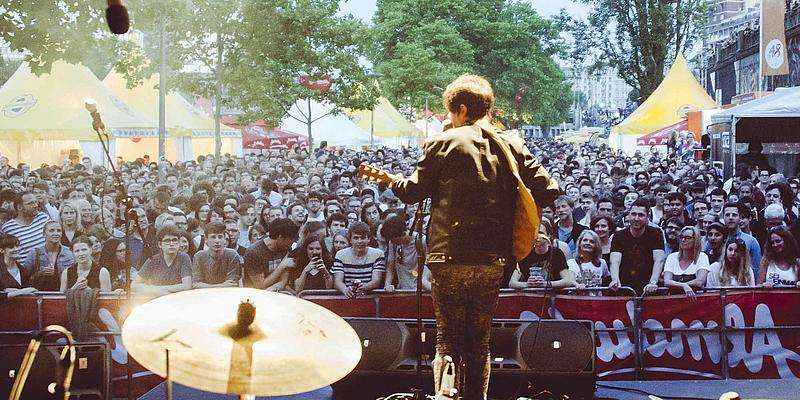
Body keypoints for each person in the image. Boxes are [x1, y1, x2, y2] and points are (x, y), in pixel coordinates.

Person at [389, 74, 559, 400]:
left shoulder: (442, 142)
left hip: (447, 256)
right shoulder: (513, 143)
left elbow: (412, 193)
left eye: (452, 114)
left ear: (462, 109)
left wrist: (393, 181)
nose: (451, 120)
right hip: (493, 258)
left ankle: (445, 396)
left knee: (448, 339)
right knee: (479, 341)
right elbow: (549, 190)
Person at [609, 199, 665, 295]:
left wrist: (653, 282)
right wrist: (615, 280)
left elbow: (659, 260)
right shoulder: (619, 235)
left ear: (648, 216)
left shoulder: (656, 233)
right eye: (633, 214)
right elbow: (614, 261)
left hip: (648, 287)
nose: (636, 218)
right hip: (624, 286)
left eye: (641, 215)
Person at [131, 225, 193, 297]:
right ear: (160, 244)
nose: (171, 244)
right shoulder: (153, 260)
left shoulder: (184, 258)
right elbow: (134, 285)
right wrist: (154, 291)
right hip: (157, 299)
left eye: (175, 240)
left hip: (178, 299)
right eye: (167, 241)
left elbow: (187, 286)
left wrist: (158, 289)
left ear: (179, 243)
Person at [331, 221, 385, 298]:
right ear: (350, 240)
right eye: (356, 238)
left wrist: (364, 287)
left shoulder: (378, 254)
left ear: (368, 239)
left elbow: (376, 280)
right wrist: (345, 289)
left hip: (370, 298)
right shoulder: (340, 255)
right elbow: (337, 281)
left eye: (363, 238)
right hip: (348, 298)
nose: (359, 241)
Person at [243, 218, 298, 290]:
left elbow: (283, 281)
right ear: (280, 237)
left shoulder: (286, 248)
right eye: (290, 239)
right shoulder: (254, 252)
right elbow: (260, 286)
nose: (292, 243)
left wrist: (272, 289)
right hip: (255, 295)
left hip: (276, 292)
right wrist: (282, 266)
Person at [22, 221, 75, 291]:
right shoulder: (34, 253)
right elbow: (24, 278)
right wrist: (41, 274)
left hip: (63, 295)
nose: (56, 233)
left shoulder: (70, 253)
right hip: (40, 295)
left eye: (59, 231)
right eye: (52, 230)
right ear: (44, 234)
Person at [1, 191, 49, 266]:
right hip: (25, 273)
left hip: (48, 270)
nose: (36, 205)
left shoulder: (43, 218)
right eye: (31, 203)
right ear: (19, 207)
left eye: (36, 202)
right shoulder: (8, 228)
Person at [663, 226, 709, 299]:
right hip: (674, 300)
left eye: (688, 237)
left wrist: (678, 286)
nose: (683, 240)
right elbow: (667, 281)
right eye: (681, 237)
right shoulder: (672, 257)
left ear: (696, 240)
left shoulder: (702, 257)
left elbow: (700, 281)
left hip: (696, 301)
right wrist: (684, 286)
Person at [192, 221, 241, 288]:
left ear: (224, 239)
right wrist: (222, 285)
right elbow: (196, 284)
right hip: (205, 295)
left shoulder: (232, 255)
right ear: (206, 240)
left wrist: (207, 286)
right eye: (213, 237)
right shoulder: (199, 256)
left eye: (220, 237)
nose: (217, 241)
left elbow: (232, 284)